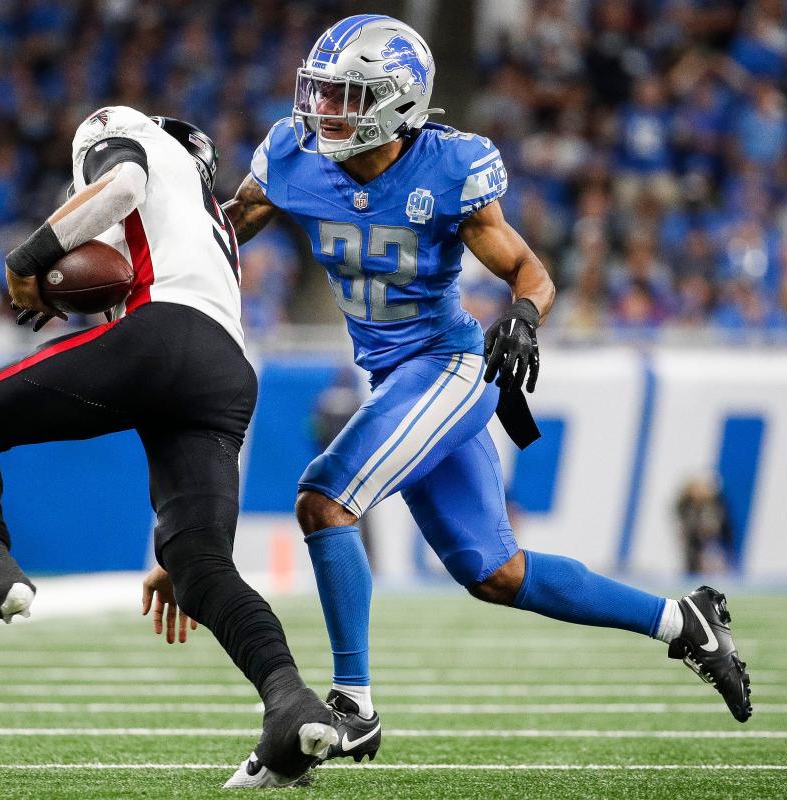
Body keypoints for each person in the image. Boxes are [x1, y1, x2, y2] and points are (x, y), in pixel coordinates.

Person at [221, 14, 753, 764]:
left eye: (347, 95)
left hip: (447, 366)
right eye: (323, 92)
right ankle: (684, 622)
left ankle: (354, 705)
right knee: (496, 573)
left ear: (395, 104)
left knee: (323, 500)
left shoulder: (448, 168)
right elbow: (223, 229)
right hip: (395, 376)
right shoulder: (293, 156)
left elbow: (529, 272)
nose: (325, 110)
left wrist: (525, 318)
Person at [0, 107, 337, 788]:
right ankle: (289, 705)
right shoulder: (207, 218)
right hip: (225, 373)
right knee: (198, 564)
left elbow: (123, 186)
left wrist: (28, 260)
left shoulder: (129, 133)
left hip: (163, 335)